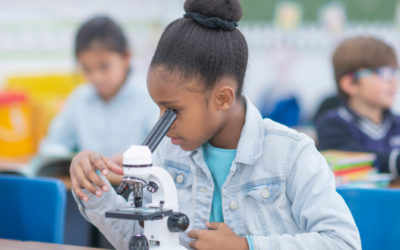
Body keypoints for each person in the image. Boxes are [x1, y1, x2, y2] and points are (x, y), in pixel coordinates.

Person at [70, 1, 360, 249]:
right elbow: (143, 240)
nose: (162, 124)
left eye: (173, 110)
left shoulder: (292, 155)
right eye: (158, 108)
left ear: (222, 98)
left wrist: (247, 245)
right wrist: (93, 190)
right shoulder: (169, 154)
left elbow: (343, 242)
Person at [38, 16, 157, 164]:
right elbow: (50, 146)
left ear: (126, 57)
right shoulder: (79, 99)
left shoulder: (149, 98)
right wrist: (77, 161)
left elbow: (166, 152)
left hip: (135, 184)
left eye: (104, 66)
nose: (96, 77)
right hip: (91, 185)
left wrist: (136, 160)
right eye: (87, 69)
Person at [316, 36, 400, 176]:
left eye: (394, 72)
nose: (393, 80)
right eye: (383, 73)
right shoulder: (331, 124)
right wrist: (394, 161)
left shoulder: (397, 123)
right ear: (351, 84)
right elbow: (353, 161)